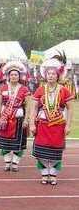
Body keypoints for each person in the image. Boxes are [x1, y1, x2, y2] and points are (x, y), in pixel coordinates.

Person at [29, 52, 73, 185]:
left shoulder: (64, 90)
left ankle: (53, 174)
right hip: (42, 124)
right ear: (45, 75)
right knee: (41, 151)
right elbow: (34, 108)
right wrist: (32, 123)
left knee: (55, 150)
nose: (51, 76)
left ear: (58, 76)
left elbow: (70, 109)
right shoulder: (40, 90)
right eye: (49, 74)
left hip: (58, 125)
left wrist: (68, 125)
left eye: (53, 74)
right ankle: (44, 173)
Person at [0, 61, 30, 172]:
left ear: (19, 76)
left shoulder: (24, 89)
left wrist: (26, 119)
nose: (14, 76)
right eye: (12, 74)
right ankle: (7, 162)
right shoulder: (3, 88)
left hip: (18, 119)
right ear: (8, 76)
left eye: (16, 75)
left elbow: (28, 106)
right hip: (4, 119)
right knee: (4, 142)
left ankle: (15, 163)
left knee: (19, 142)